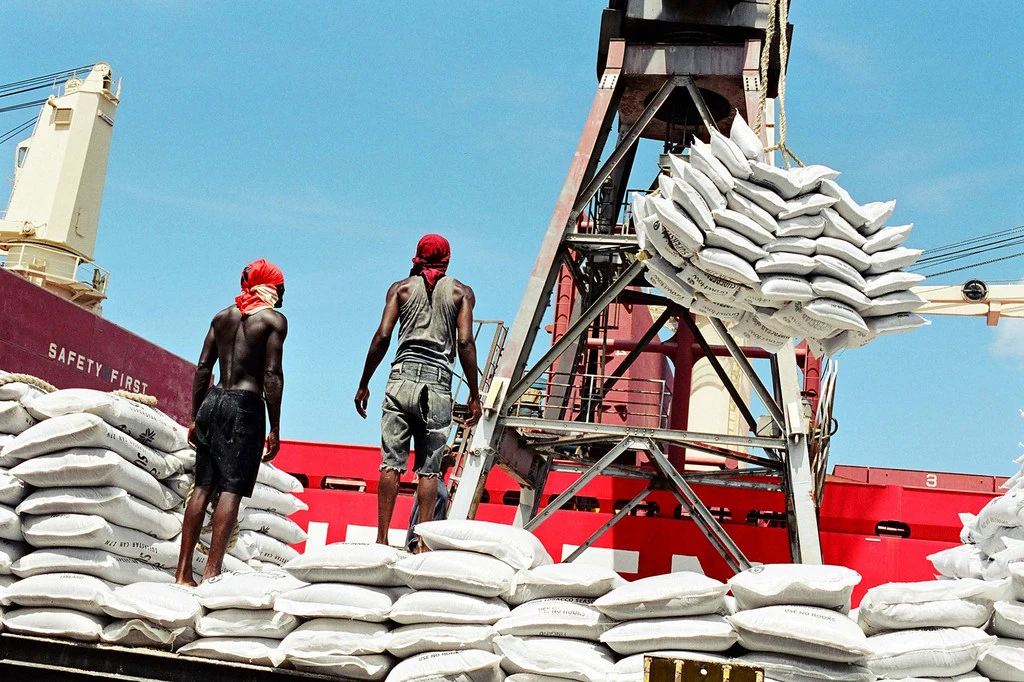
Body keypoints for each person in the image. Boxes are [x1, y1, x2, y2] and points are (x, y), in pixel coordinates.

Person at [355, 234, 481, 551]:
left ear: (417, 257)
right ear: (448, 259)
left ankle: (382, 539)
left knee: (390, 464)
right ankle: (423, 542)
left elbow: (383, 334)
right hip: (437, 384)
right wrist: (475, 392)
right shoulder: (461, 292)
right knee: (429, 469)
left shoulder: (400, 289)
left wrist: (364, 381)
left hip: (400, 378)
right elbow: (465, 342)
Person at [175, 259, 288, 585]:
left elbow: (202, 369)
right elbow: (271, 375)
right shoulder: (273, 321)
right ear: (271, 287)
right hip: (245, 407)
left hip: (213, 401)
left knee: (202, 488)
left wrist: (197, 416)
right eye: (280, 288)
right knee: (231, 490)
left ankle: (182, 574)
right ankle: (212, 572)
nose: (281, 295)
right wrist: (275, 427)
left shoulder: (221, 317)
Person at [405, 447, 456, 552]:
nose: (454, 455)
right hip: (423, 545)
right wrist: (416, 542)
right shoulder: (433, 485)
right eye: (450, 453)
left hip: (429, 544)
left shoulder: (437, 484)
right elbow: (419, 513)